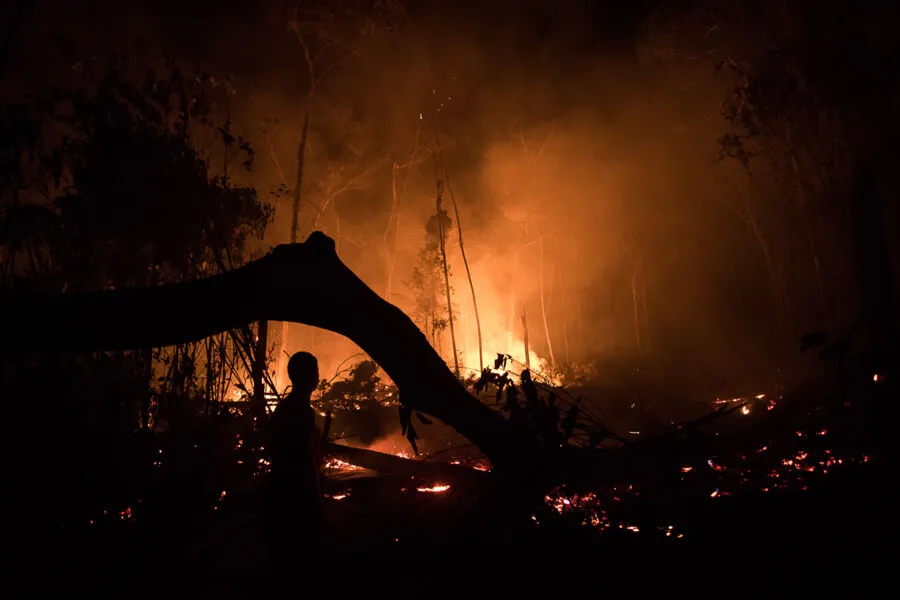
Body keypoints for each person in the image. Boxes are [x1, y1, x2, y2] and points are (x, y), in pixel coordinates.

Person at [265, 351, 325, 569]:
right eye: (314, 372)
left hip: (282, 493)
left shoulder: (286, 409)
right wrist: (316, 497)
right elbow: (304, 459)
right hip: (295, 497)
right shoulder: (300, 412)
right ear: (307, 376)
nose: (318, 377)